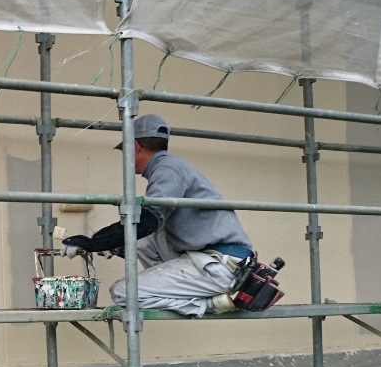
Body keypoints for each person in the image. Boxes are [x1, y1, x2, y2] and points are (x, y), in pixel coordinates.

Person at [61, 114, 253, 317]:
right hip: (217, 259)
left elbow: (146, 221)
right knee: (147, 236)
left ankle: (206, 305)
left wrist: (94, 243)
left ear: (135, 146)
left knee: (122, 292)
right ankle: (192, 296)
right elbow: (147, 232)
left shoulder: (168, 169)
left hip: (219, 266)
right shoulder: (172, 167)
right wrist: (112, 245)